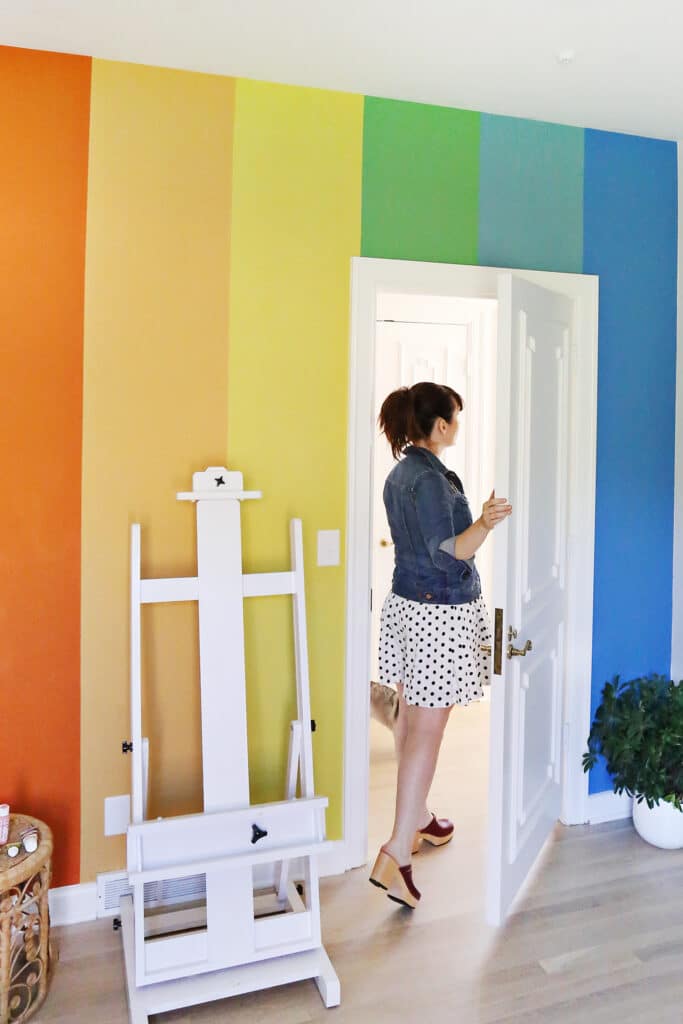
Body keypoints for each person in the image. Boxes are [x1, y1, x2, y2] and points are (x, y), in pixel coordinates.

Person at [369, 382, 512, 909]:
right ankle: (395, 851)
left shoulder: (400, 474)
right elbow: (450, 551)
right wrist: (486, 522)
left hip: (410, 607)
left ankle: (419, 819)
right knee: (427, 732)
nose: (459, 425)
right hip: (439, 617)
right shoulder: (429, 480)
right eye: (455, 417)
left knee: (411, 723)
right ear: (441, 425)